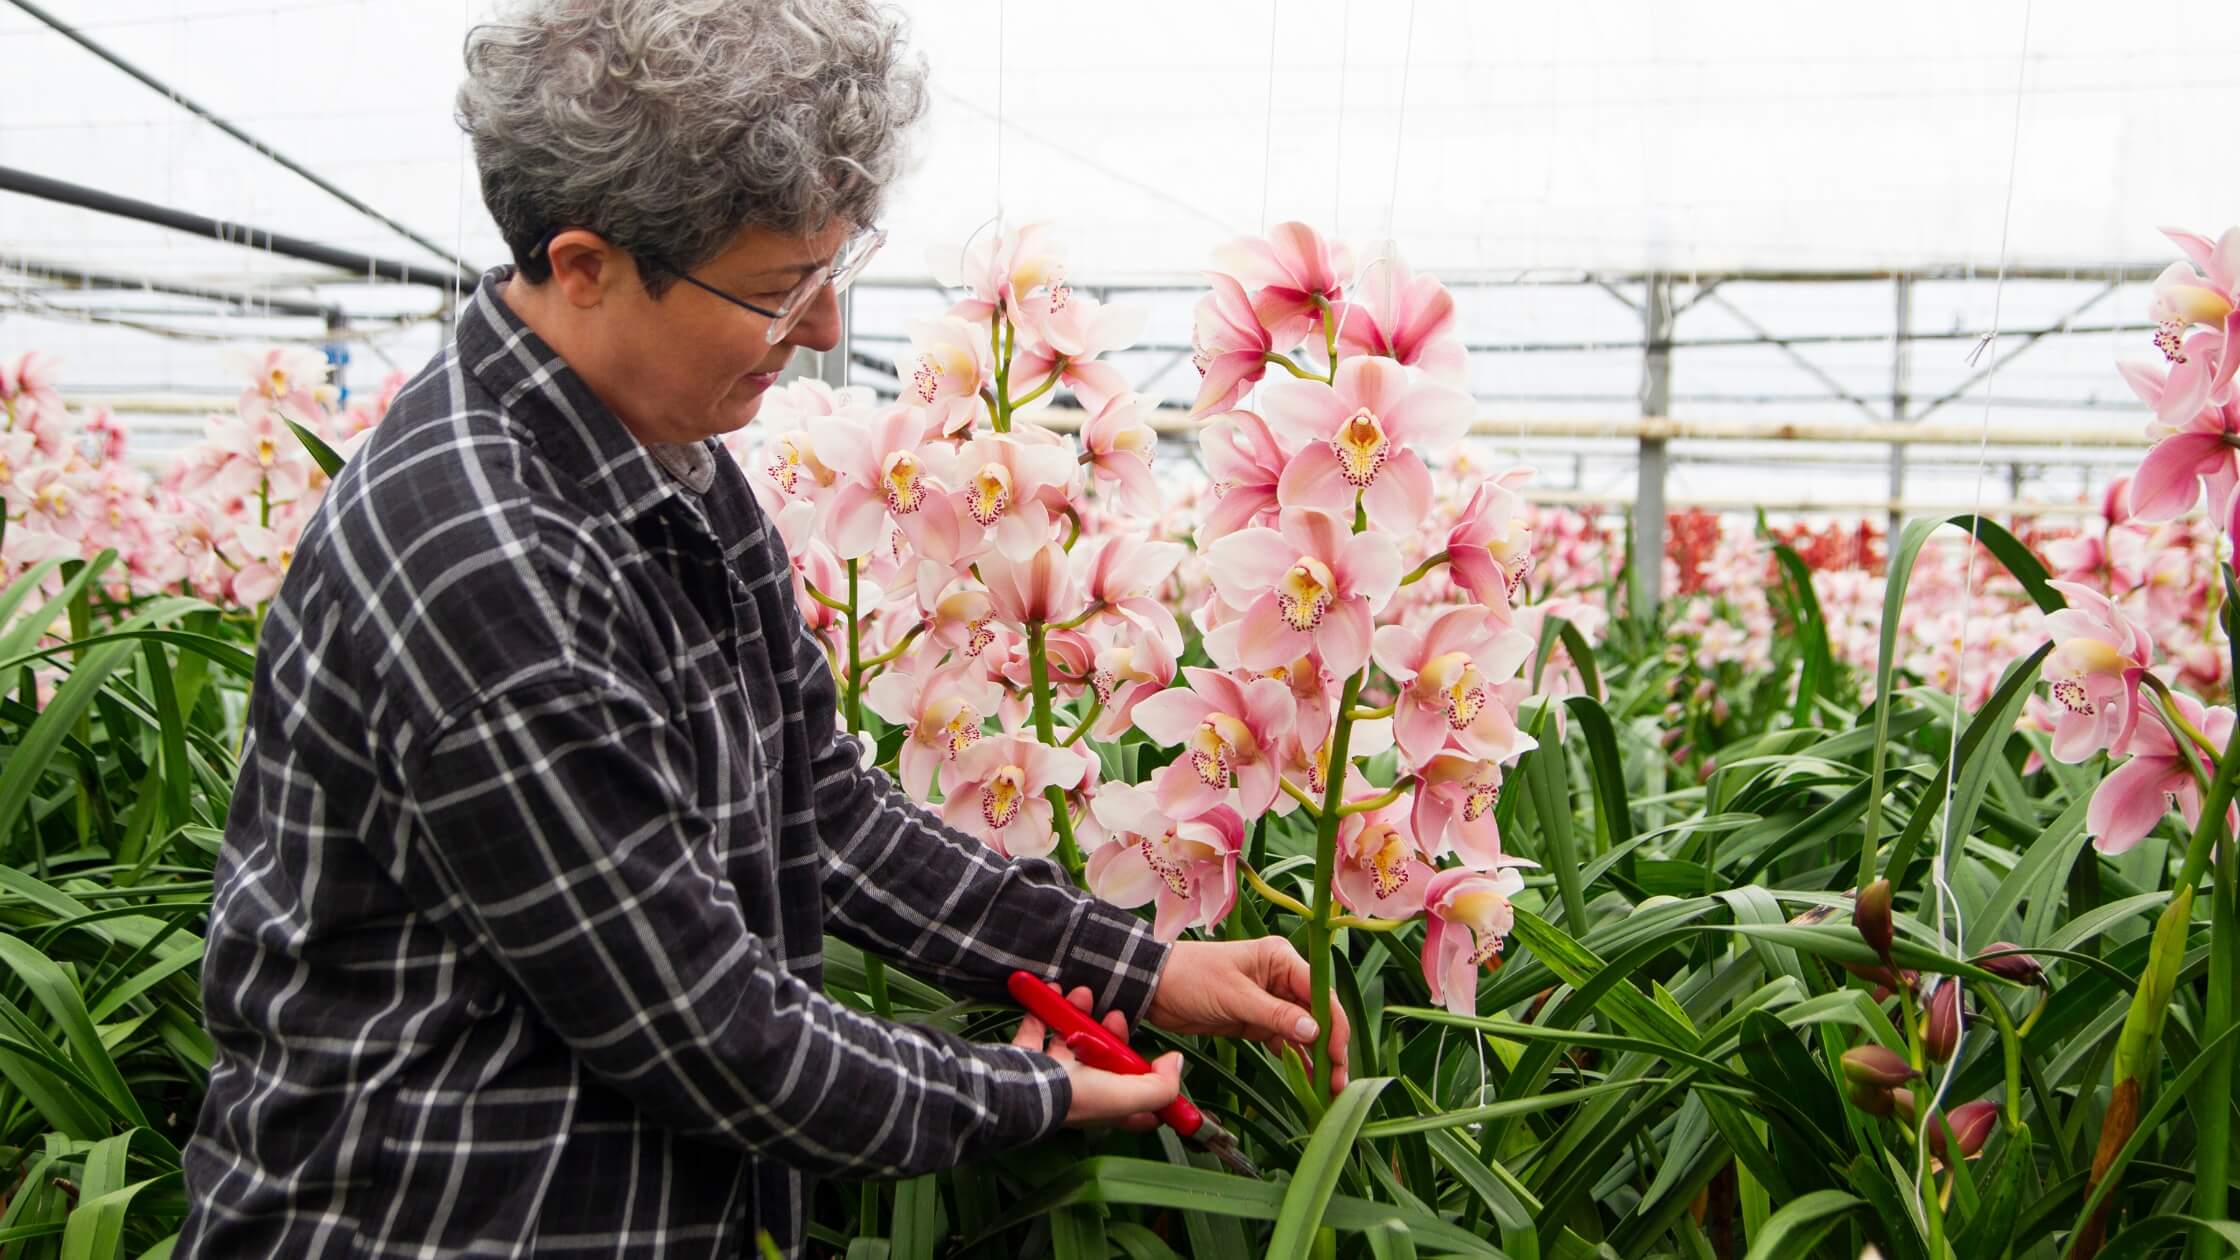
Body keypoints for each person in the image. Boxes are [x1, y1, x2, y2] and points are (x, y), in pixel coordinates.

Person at [175, 1, 1345, 1256]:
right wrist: (1040, 1092)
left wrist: (1138, 968)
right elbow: (710, 1034)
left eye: (831, 272)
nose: (829, 331)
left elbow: (821, 806)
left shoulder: (665, 452)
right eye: (782, 290)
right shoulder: (482, 564)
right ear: (584, 266)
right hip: (437, 1222)